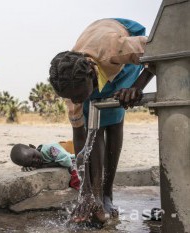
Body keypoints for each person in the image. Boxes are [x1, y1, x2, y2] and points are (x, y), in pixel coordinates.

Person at [49, 18, 155, 223]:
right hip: (93, 67)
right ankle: (95, 196)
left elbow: (158, 49)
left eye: (79, 96)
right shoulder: (70, 85)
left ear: (91, 76)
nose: (76, 101)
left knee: (113, 118)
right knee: (93, 126)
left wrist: (137, 87)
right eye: (72, 98)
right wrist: (85, 193)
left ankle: (107, 194)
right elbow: (81, 138)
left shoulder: (116, 49)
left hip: (121, 52)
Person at [10, 141, 81, 190]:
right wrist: (27, 167)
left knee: (77, 181)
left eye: (34, 156)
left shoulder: (50, 149)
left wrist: (45, 166)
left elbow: (67, 162)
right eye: (31, 163)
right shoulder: (30, 159)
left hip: (74, 158)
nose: (36, 160)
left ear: (33, 146)